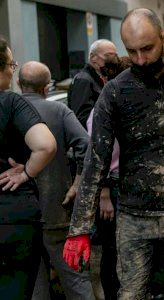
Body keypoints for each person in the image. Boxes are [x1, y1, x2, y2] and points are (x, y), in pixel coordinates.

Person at [63, 8, 164, 299]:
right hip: (135, 216)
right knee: (130, 294)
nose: (141, 59)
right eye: (132, 52)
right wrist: (79, 228)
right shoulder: (115, 93)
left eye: (147, 48)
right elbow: (96, 162)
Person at [17, 61, 94, 299]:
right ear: (47, 88)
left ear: (19, 84)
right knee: (75, 279)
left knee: (34, 285)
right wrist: (77, 183)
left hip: (19, 214)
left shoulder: (10, 110)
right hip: (56, 209)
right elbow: (87, 146)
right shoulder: (58, 112)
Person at [0, 38, 57, 299]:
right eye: (11, 64)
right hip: (14, 217)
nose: (13, 71)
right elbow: (45, 146)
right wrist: (26, 173)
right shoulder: (11, 103)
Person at [68, 39, 118, 128]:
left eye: (115, 56)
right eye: (108, 56)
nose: (113, 60)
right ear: (93, 57)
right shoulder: (83, 80)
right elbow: (82, 118)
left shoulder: (102, 78)